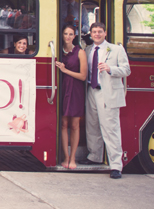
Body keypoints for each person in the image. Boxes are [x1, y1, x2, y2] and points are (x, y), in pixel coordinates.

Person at [79, 22, 131, 179]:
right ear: (91, 34)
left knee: (110, 129)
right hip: (91, 90)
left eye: (99, 32)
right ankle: (94, 156)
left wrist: (110, 69)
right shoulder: (88, 50)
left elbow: (126, 70)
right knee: (92, 125)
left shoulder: (116, 49)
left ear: (105, 33)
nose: (97, 34)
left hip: (108, 93)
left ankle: (116, 165)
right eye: (94, 32)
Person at [55, 25, 88, 170]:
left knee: (74, 125)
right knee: (63, 124)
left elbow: (83, 76)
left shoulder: (80, 52)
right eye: (65, 33)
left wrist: (64, 70)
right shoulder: (58, 52)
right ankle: (65, 157)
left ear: (74, 36)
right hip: (63, 89)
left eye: (70, 34)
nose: (67, 36)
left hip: (75, 90)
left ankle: (73, 157)